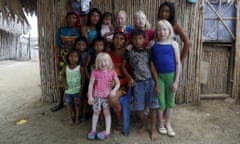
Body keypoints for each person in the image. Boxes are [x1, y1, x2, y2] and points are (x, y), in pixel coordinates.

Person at [121, 29, 160, 141]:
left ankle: (153, 128)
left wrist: (157, 84)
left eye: (140, 38)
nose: (137, 41)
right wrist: (130, 78)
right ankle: (144, 124)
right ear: (131, 40)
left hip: (150, 82)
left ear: (144, 40)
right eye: (135, 38)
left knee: (153, 106)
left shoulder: (148, 51)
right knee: (138, 108)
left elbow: (152, 68)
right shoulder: (128, 52)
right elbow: (123, 67)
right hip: (137, 84)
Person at [148, 20, 181, 137]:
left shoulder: (174, 44)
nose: (162, 32)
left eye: (164, 29)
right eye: (159, 30)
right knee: (160, 101)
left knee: (170, 101)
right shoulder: (152, 44)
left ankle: (168, 124)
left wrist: (176, 81)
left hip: (171, 76)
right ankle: (160, 124)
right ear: (156, 31)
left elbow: (178, 63)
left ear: (169, 31)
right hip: (159, 77)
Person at [51, 11, 81, 112]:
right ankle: (60, 102)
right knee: (61, 78)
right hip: (64, 56)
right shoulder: (61, 30)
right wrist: (58, 59)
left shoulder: (78, 31)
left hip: (75, 56)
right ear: (66, 19)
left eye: (74, 18)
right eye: (70, 17)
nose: (72, 20)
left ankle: (76, 103)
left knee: (76, 78)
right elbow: (58, 46)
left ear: (77, 20)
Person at [87, 52, 120, 140]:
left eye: (106, 61)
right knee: (96, 112)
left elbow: (118, 83)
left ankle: (107, 131)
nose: (103, 63)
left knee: (107, 113)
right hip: (97, 96)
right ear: (97, 63)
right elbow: (90, 85)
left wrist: (114, 90)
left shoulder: (112, 72)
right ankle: (93, 130)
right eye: (101, 61)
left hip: (107, 96)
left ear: (109, 62)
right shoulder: (94, 72)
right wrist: (90, 96)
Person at [108, 31, 130, 134]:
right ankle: (103, 117)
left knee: (113, 98)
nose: (118, 41)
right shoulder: (108, 54)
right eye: (116, 38)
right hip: (108, 82)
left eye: (122, 39)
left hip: (123, 84)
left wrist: (118, 83)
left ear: (125, 42)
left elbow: (130, 76)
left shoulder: (127, 55)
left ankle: (120, 121)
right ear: (112, 40)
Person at [62, 48, 85, 125]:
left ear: (79, 58)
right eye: (71, 56)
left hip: (77, 91)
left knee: (77, 105)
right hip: (68, 92)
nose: (73, 58)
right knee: (69, 105)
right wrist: (65, 85)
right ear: (68, 57)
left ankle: (77, 118)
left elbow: (83, 80)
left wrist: (81, 90)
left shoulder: (80, 68)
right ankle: (70, 119)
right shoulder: (66, 67)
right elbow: (63, 76)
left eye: (75, 56)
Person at [74, 37, 89, 121]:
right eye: (79, 44)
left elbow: (88, 66)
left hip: (84, 79)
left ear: (86, 46)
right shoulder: (73, 54)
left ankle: (84, 113)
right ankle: (76, 113)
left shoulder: (87, 54)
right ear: (75, 45)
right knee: (77, 96)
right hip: (75, 79)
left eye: (83, 45)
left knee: (84, 98)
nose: (81, 46)